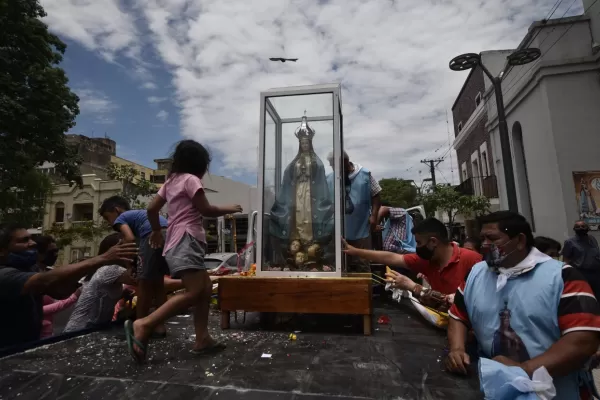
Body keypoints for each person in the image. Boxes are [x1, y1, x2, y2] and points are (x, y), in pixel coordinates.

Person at [447, 211, 600, 399]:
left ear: (520, 240)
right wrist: (457, 349)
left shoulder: (562, 277)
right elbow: (458, 316)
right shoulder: (475, 274)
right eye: (482, 239)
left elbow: (583, 340)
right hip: (494, 389)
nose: (485, 245)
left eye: (492, 238)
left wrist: (524, 369)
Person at [124, 140, 242, 363]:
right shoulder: (190, 180)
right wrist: (230, 208)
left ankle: (202, 338)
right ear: (200, 164)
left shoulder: (170, 182)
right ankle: (145, 324)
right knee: (195, 291)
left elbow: (151, 208)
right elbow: (205, 209)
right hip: (187, 239)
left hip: (176, 240)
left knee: (205, 288)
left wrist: (157, 232)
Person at [0, 223, 137, 349]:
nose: (32, 243)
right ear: (2, 250)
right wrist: (102, 258)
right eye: (23, 241)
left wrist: (87, 269)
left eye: (30, 238)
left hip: (28, 344)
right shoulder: (4, 274)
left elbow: (60, 292)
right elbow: (44, 281)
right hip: (7, 349)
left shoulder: (31, 268)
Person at [343, 217, 482, 307]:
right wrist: (355, 251)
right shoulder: (427, 260)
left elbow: (465, 303)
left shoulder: (472, 261)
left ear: (433, 241)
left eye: (419, 242)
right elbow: (392, 258)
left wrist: (412, 286)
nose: (417, 248)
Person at [269, 115, 334, 271]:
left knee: (309, 215)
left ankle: (310, 246)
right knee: (298, 214)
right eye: (302, 143)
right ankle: (295, 243)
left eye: (306, 143)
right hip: (298, 192)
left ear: (310, 143)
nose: (304, 145)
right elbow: (288, 175)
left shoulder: (316, 161)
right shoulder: (295, 162)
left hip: (311, 195)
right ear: (300, 144)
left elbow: (319, 178)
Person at [99, 195, 169, 338]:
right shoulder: (138, 216)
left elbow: (130, 239)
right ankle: (160, 326)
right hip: (168, 233)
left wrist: (127, 258)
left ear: (116, 210)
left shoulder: (121, 218)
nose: (109, 223)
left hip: (152, 236)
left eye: (107, 217)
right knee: (158, 283)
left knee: (144, 284)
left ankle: (139, 328)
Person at [64, 233, 137, 333]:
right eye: (127, 248)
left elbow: (102, 294)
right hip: (81, 330)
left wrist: (123, 293)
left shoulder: (104, 271)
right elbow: (144, 279)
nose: (132, 251)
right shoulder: (109, 270)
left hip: (94, 328)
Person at [327, 151, 381, 272]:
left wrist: (374, 216)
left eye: (334, 165)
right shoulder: (330, 179)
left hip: (361, 229)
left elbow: (376, 195)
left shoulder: (365, 174)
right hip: (339, 231)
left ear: (345, 161)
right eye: (331, 165)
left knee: (362, 264)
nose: (333, 168)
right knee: (340, 266)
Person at [563, 221, 600, 299]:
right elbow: (566, 259)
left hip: (596, 272)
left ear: (588, 228)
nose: (581, 228)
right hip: (581, 272)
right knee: (585, 296)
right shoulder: (570, 242)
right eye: (578, 227)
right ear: (574, 229)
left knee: (597, 295)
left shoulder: (592, 239)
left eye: (583, 226)